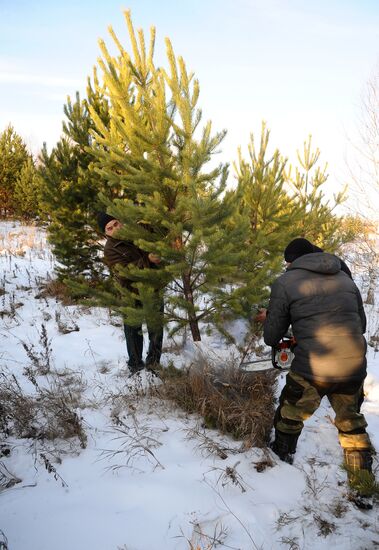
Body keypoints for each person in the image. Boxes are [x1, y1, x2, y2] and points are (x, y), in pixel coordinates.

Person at [257, 238, 375, 507]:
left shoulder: (286, 282)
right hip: (353, 366)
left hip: (313, 369)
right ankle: (364, 488)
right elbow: (362, 324)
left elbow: (271, 336)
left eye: (287, 262)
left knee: (290, 414)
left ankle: (281, 461)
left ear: (293, 261)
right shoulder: (345, 279)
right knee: (352, 425)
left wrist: (282, 321)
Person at [97, 212, 164, 375]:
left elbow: (160, 227)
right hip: (130, 294)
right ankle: (135, 366)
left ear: (121, 222)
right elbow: (126, 272)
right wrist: (149, 259)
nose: (115, 229)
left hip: (152, 288)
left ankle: (154, 363)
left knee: (156, 328)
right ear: (105, 233)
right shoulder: (110, 250)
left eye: (116, 223)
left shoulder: (137, 230)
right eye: (109, 228)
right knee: (133, 331)